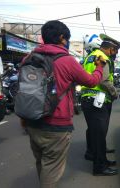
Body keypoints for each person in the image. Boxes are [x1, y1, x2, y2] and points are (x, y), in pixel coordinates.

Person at [24, 20, 104, 188]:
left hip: (31, 121)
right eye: (67, 38)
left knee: (42, 162)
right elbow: (91, 81)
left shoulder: (28, 58)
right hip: (56, 125)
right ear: (62, 38)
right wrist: (99, 68)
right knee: (51, 168)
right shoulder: (67, 60)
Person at [81, 38, 119, 176]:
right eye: (115, 51)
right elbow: (104, 80)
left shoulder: (90, 56)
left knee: (94, 131)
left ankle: (92, 154)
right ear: (110, 49)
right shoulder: (103, 57)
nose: (114, 54)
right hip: (98, 100)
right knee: (99, 134)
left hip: (87, 98)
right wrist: (115, 93)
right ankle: (100, 167)